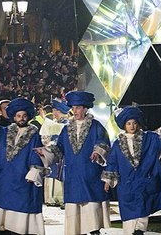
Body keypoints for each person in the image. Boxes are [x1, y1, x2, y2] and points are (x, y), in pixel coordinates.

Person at [102, 106, 161, 235]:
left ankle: (139, 231)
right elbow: (112, 162)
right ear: (124, 125)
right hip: (126, 184)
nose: (132, 126)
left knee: (142, 209)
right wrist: (108, 181)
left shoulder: (148, 138)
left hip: (144, 181)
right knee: (128, 214)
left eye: (134, 123)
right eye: (128, 123)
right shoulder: (117, 144)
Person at [44, 91, 112, 235]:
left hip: (91, 172)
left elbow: (103, 141)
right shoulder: (66, 128)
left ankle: (94, 231)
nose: (74, 111)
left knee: (91, 205)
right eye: (73, 108)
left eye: (78, 108)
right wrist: (46, 152)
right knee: (74, 206)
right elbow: (59, 147)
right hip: (73, 174)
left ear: (85, 109)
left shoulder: (96, 126)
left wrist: (98, 151)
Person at [0, 97, 45, 235]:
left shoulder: (34, 136)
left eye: (24, 116)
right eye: (18, 116)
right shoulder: (3, 131)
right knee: (1, 221)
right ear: (14, 117)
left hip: (21, 180)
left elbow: (36, 156)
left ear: (28, 117)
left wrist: (33, 173)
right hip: (2, 180)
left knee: (18, 221)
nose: (21, 118)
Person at [40, 98, 70, 206]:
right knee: (50, 173)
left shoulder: (67, 124)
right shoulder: (55, 123)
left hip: (61, 153)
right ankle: (50, 198)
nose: (53, 113)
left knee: (59, 174)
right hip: (51, 152)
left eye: (55, 110)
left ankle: (60, 198)